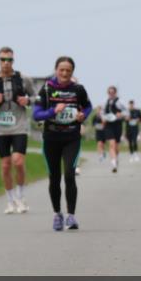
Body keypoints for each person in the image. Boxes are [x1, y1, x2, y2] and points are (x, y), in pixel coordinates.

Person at [33, 56, 92, 231]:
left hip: (71, 138)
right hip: (51, 139)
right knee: (54, 177)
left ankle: (71, 216)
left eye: (68, 70)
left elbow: (88, 106)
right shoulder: (46, 89)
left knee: (69, 174)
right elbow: (36, 115)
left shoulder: (78, 89)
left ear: (72, 72)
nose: (65, 73)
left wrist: (83, 115)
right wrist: (53, 111)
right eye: (62, 70)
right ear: (56, 70)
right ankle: (57, 214)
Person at [0, 47, 36, 213]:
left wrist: (28, 100)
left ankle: (21, 196)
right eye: (3, 59)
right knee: (5, 165)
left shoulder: (23, 79)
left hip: (19, 127)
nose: (6, 63)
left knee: (18, 161)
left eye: (9, 60)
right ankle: (10, 200)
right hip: (1, 129)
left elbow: (36, 98)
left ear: (13, 61)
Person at [102, 86, 126, 173]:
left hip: (117, 124)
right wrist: (103, 118)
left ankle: (116, 158)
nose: (111, 94)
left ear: (115, 93)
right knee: (111, 144)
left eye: (112, 92)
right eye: (109, 92)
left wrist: (121, 114)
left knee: (116, 146)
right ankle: (114, 164)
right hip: (109, 124)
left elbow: (127, 112)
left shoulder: (120, 102)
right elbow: (102, 112)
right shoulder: (105, 102)